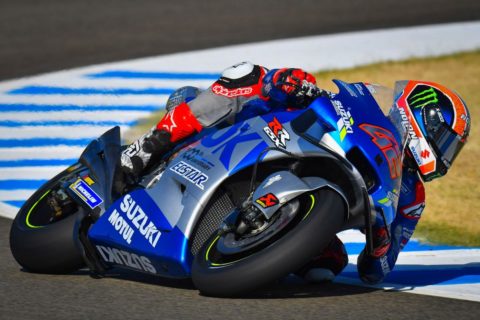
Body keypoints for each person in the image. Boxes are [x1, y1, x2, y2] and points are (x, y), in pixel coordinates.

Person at [115, 62, 471, 284]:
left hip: (306, 207)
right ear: (423, 117)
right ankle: (147, 147)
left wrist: (380, 243)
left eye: (451, 148)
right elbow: (303, 92)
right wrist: (292, 84)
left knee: (328, 266)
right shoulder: (370, 114)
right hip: (265, 136)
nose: (445, 154)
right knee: (247, 75)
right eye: (446, 141)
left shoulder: (412, 198)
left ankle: (246, 251)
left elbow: (378, 271)